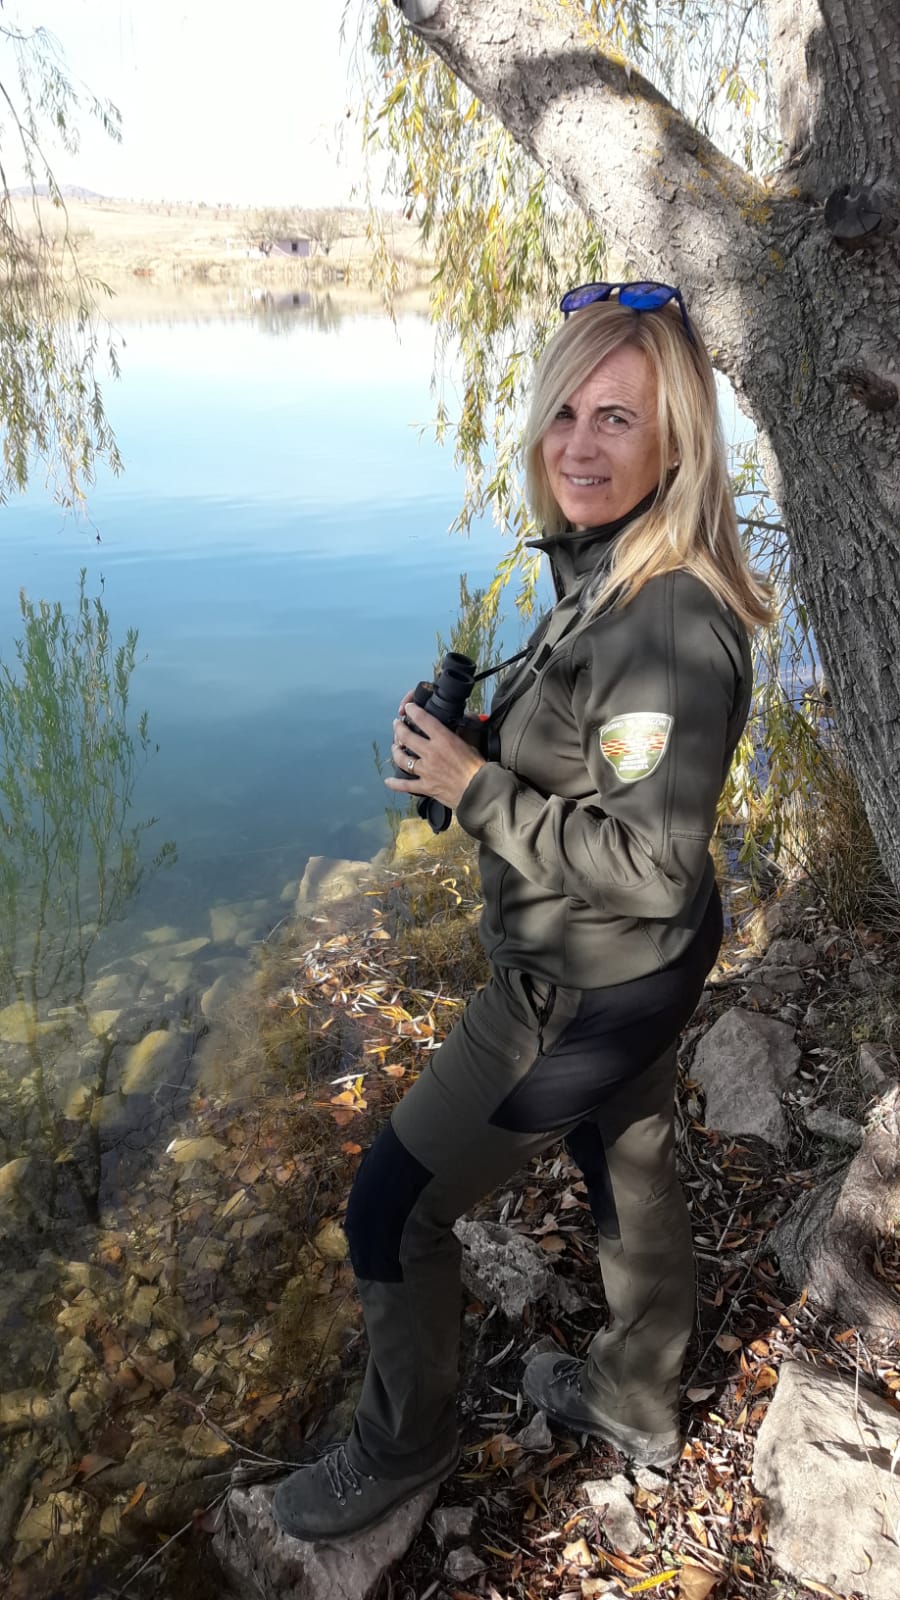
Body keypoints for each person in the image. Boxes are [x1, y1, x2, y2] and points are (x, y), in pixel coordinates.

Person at [273, 281, 774, 1543]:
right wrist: (489, 741)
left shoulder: (665, 621)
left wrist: (475, 785)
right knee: (627, 1155)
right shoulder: (616, 572)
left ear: (678, 442)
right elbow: (610, 776)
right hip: (643, 968)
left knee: (392, 1207)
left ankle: (403, 1445)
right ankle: (638, 1399)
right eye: (563, 412)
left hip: (579, 986)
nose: (577, 446)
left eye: (617, 418)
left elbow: (650, 864)